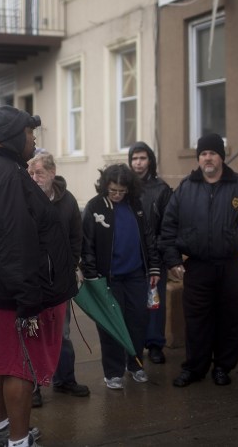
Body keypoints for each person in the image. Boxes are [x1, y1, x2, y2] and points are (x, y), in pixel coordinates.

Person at [0, 105, 75, 447]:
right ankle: (19, 441)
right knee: (19, 367)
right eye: (28, 133)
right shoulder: (8, 176)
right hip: (12, 294)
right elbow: (15, 243)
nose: (33, 138)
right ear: (12, 138)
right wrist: (28, 300)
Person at [160, 133, 238, 387]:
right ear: (199, 158)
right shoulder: (186, 188)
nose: (208, 158)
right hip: (198, 266)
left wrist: (231, 237)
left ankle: (223, 367)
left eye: (213, 153)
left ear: (221, 157)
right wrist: (173, 261)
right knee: (197, 320)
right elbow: (168, 226)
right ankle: (195, 368)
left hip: (232, 266)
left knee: (231, 319)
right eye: (203, 154)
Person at [81, 163, 161, 390]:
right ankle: (113, 372)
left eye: (121, 191)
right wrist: (92, 277)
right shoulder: (94, 207)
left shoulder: (136, 206)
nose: (116, 195)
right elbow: (86, 246)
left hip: (136, 276)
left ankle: (135, 366)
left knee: (137, 322)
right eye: (112, 190)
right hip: (109, 279)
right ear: (105, 186)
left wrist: (153, 269)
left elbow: (149, 240)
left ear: (129, 189)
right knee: (111, 326)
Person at [27, 151, 89, 408]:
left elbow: (77, 237)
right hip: (33, 281)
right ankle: (33, 387)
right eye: (30, 173)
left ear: (52, 173)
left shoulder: (68, 201)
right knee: (33, 334)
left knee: (61, 333)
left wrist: (71, 265)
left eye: (39, 173)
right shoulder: (25, 199)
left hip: (60, 282)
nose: (34, 178)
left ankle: (65, 379)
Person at [128, 141, 173, 364]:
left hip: (155, 255)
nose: (138, 163)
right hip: (130, 256)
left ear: (150, 161)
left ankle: (155, 344)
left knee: (155, 303)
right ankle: (134, 345)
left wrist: (158, 251)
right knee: (134, 303)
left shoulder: (161, 189)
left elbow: (167, 226)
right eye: (135, 158)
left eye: (142, 158)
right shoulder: (124, 187)